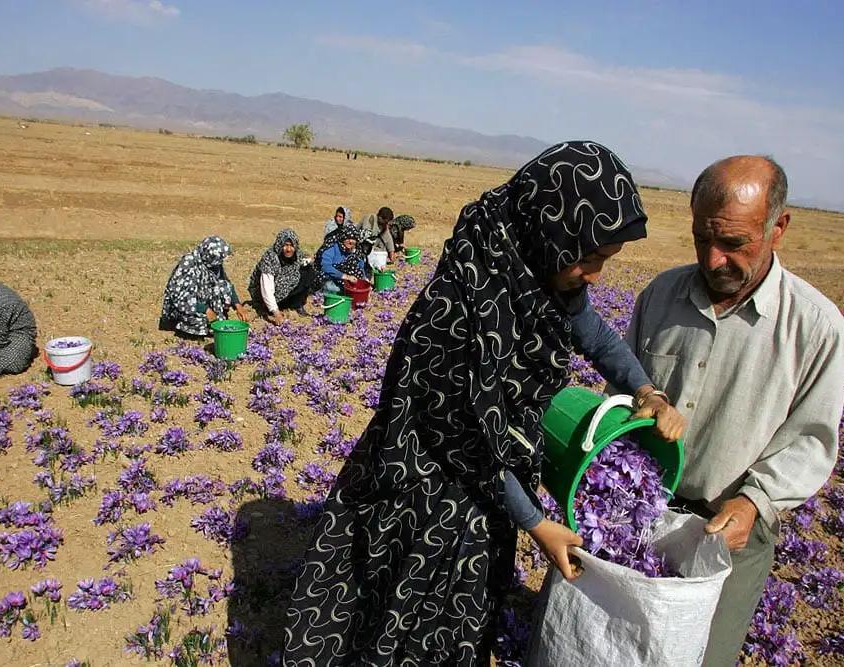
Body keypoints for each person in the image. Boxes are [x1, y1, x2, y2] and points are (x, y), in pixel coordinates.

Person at [282, 141, 685, 666]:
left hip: (494, 479)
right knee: (404, 605)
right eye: (588, 259)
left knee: (463, 611)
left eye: (604, 261)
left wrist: (648, 392)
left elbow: (596, 336)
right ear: (551, 231)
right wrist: (535, 522)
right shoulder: (460, 301)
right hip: (425, 478)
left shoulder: (545, 270)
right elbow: (464, 435)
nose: (594, 276)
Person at [622, 155, 844, 666]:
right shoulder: (661, 295)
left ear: (778, 228)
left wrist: (754, 500)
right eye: (702, 238)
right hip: (640, 509)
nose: (713, 259)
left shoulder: (815, 327)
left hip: (730, 530)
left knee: (703, 655)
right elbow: (624, 387)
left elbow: (811, 441)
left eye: (733, 243)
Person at [158, 236, 246, 338]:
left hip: (202, 300)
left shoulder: (212, 263)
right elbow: (181, 297)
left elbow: (225, 283)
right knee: (201, 321)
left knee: (222, 290)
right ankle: (181, 326)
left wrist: (237, 305)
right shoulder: (188, 264)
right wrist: (205, 309)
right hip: (184, 306)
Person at [247, 228, 314, 324]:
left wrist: (310, 260)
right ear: (280, 244)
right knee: (297, 275)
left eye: (291, 245)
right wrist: (276, 313)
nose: (289, 249)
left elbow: (301, 262)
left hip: (282, 287)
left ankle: (295, 304)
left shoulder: (297, 255)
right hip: (263, 295)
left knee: (308, 271)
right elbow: (266, 288)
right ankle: (270, 308)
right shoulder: (270, 257)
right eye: (286, 245)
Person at [316, 222, 365, 294]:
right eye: (347, 238)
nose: (350, 241)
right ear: (342, 237)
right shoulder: (332, 248)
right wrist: (345, 276)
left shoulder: (356, 251)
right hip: (332, 277)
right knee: (331, 287)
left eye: (353, 239)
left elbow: (361, 267)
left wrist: (364, 281)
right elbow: (325, 266)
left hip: (349, 280)